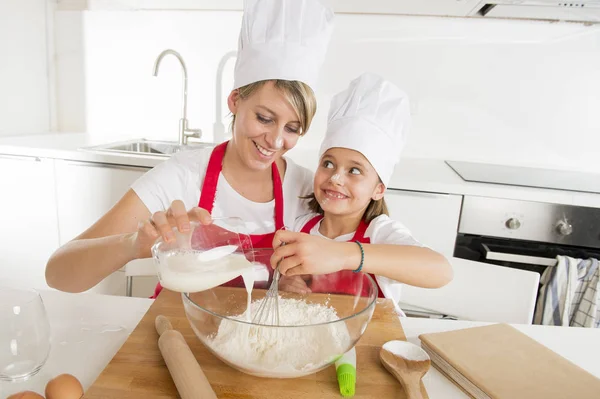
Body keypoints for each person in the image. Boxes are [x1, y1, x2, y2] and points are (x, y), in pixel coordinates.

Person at [45, 0, 335, 294]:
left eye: (292, 128)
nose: (274, 140)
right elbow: (58, 274)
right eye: (264, 118)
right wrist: (134, 244)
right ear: (235, 100)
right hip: (176, 331)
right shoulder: (181, 176)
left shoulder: (308, 189)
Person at [271, 73, 453, 300]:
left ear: (379, 189)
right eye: (328, 164)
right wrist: (287, 280)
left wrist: (343, 255)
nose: (336, 178)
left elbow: (441, 271)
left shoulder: (380, 233)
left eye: (354, 170)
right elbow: (283, 273)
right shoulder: (301, 227)